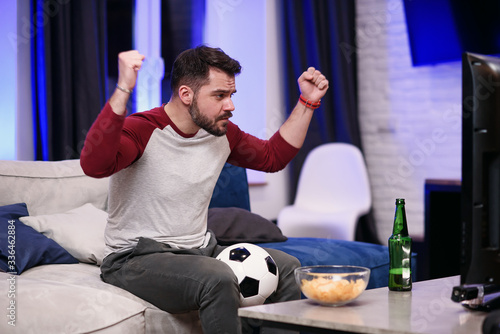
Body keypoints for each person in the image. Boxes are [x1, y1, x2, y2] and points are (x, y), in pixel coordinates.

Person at [80, 45, 329, 334]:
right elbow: (94, 165)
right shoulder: (143, 129)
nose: (231, 106)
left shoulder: (220, 132)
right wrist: (123, 87)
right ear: (187, 95)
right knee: (217, 277)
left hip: (199, 250)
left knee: (287, 266)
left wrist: (308, 102)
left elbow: (273, 157)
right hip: (132, 259)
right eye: (220, 95)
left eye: (231, 95)